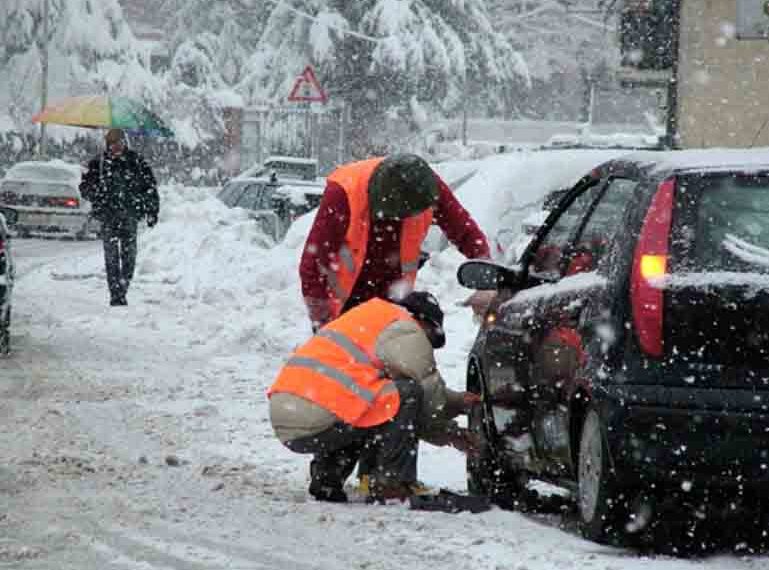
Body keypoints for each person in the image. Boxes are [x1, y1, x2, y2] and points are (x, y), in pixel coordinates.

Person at [268, 291, 481, 503]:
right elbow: (427, 399)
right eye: (431, 340)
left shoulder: (372, 317)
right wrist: (453, 433)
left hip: (290, 416)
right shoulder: (406, 328)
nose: (428, 347)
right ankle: (391, 483)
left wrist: (458, 402)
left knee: (367, 405)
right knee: (406, 393)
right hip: (318, 414)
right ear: (424, 322)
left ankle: (327, 480)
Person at [299, 154, 494, 332]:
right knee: (345, 364)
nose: (394, 221)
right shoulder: (344, 192)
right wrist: (322, 321)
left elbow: (465, 231)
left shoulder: (425, 187)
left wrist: (486, 279)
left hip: (393, 300)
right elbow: (313, 264)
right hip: (344, 304)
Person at [80, 129, 159, 306]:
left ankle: (123, 286)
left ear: (125, 143)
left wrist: (152, 211)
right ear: (108, 145)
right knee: (111, 257)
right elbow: (84, 188)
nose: (117, 146)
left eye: (120, 142)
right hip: (108, 217)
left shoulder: (136, 162)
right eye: (113, 143)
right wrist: (96, 192)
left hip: (130, 216)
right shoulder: (98, 164)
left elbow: (150, 188)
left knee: (129, 256)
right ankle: (116, 293)